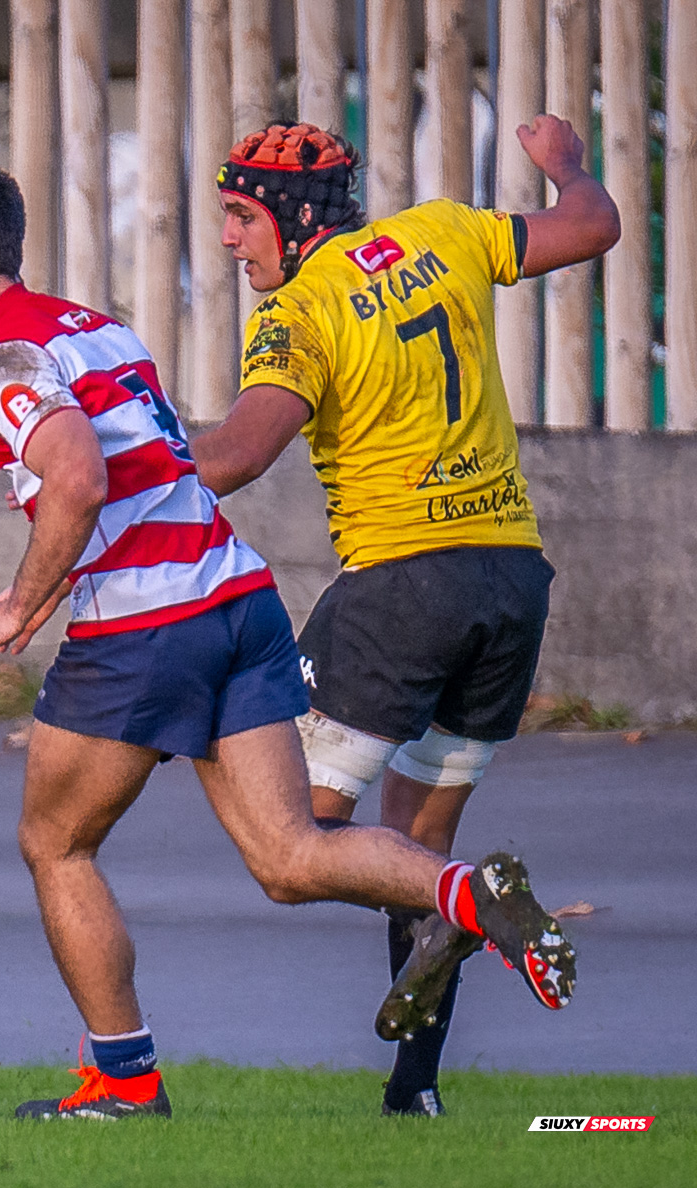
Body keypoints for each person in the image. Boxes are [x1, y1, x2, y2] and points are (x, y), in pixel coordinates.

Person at [0, 155, 576, 1122]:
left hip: (144, 622)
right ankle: (468, 896)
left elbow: (78, 478)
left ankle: (125, 1085)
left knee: (54, 842)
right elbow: (164, 463)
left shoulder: (1, 358)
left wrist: (15, 604)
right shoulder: (99, 328)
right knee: (289, 855)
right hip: (238, 598)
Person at [193, 117, 618, 1116]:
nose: (227, 239)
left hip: (400, 589)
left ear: (293, 219)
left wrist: (106, 466)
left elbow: (239, 455)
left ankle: (469, 899)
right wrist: (562, 160)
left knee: (292, 840)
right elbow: (592, 224)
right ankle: (414, 1092)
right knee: (417, 849)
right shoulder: (446, 233)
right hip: (512, 583)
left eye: (238, 216)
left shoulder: (300, 312)